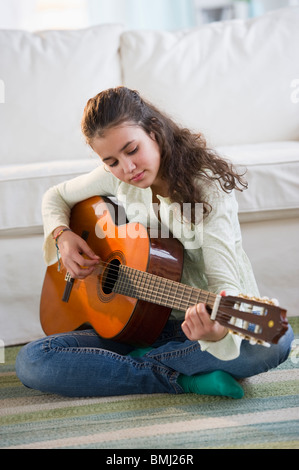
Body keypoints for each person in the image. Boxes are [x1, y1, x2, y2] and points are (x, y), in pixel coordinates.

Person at [16, 87, 293, 398]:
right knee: (33, 361)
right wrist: (62, 236)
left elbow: (223, 281)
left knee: (277, 339)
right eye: (112, 161)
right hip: (132, 326)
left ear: (155, 132)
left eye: (132, 150)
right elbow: (56, 196)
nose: (127, 168)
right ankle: (181, 379)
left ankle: (130, 367)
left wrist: (216, 331)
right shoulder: (117, 178)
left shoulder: (208, 190)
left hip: (189, 331)